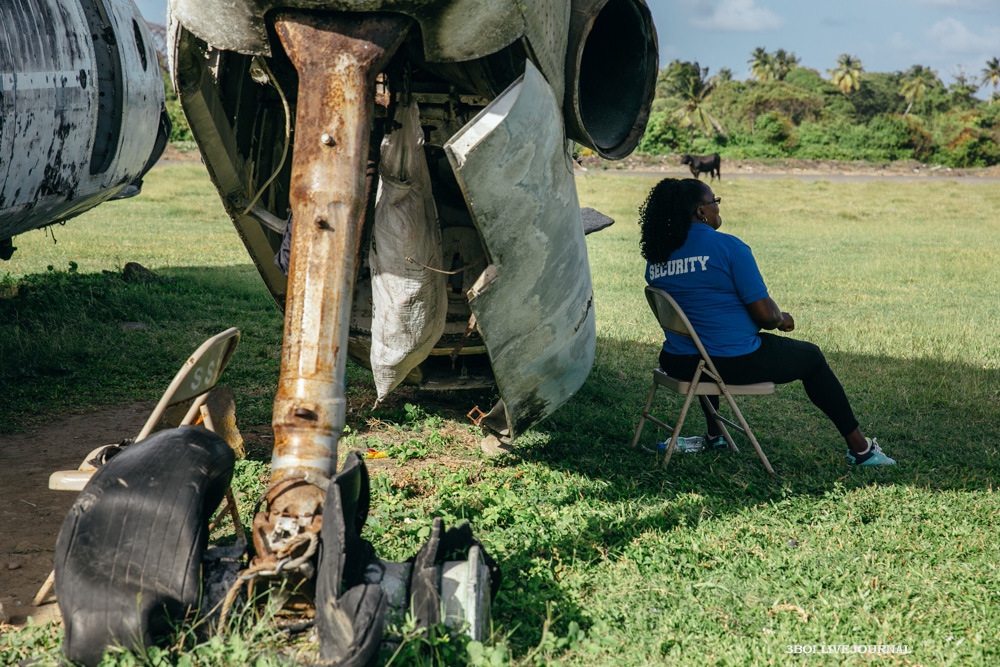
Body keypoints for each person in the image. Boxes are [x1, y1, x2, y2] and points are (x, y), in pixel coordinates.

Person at [638, 178, 895, 466]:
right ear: (701, 211)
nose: (717, 208)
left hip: (679, 360)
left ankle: (716, 435)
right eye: (715, 202)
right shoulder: (729, 247)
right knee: (811, 358)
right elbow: (765, 315)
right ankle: (862, 450)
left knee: (702, 348)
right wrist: (781, 319)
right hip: (730, 361)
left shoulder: (657, 256)